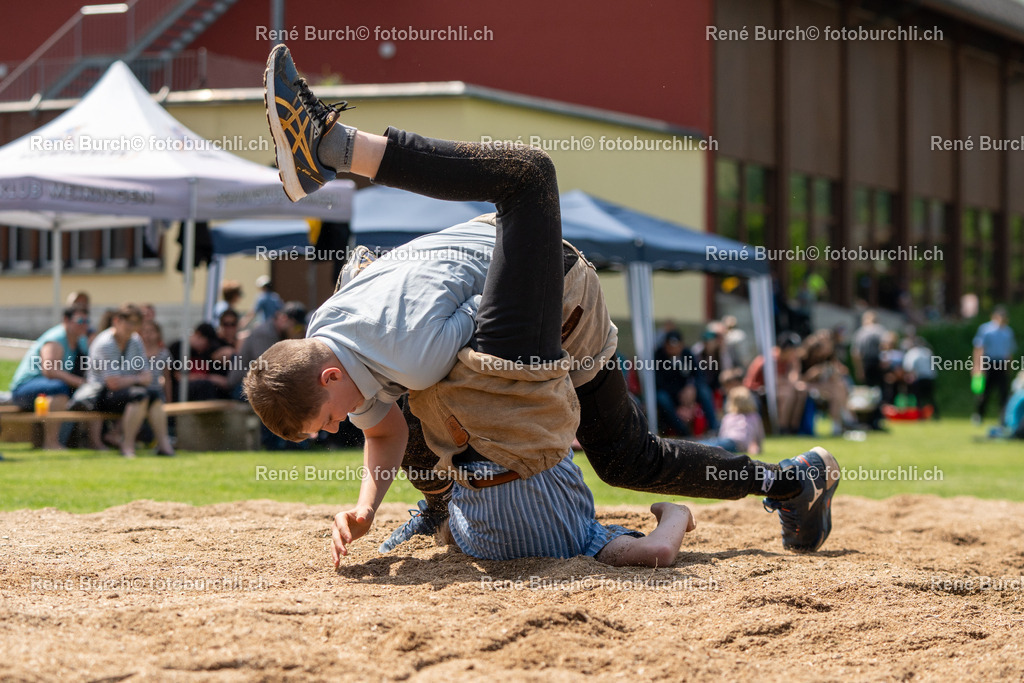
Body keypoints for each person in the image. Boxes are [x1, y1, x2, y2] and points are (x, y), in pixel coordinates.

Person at [248, 44, 839, 563]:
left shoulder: (411, 350)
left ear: (328, 375)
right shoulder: (327, 332)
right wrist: (365, 508)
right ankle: (792, 483)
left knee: (526, 183)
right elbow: (383, 433)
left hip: (557, 289)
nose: (337, 428)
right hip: (490, 288)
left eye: (327, 420)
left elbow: (467, 343)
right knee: (626, 459)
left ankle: (334, 145)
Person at [85, 304, 174, 458]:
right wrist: (136, 379)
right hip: (98, 395)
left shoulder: (135, 340)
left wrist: (131, 379)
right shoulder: (106, 343)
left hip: (123, 393)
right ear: (117, 321)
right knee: (139, 395)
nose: (132, 327)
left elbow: (147, 377)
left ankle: (164, 445)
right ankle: (127, 446)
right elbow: (112, 382)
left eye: (135, 323)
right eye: (129, 322)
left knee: (154, 395)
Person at [9, 306, 92, 449]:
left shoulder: (81, 341)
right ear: (66, 320)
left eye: (86, 321)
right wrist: (80, 383)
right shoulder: (55, 339)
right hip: (25, 388)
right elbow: (50, 371)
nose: (84, 324)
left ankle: (88, 442)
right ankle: (51, 442)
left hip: (51, 387)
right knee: (59, 388)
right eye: (80, 320)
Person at [744, 333, 808, 434]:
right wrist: (792, 383)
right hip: (757, 390)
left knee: (801, 392)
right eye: (793, 350)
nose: (795, 352)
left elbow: (792, 378)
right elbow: (775, 380)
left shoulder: (789, 359)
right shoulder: (770, 359)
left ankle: (794, 427)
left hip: (775, 388)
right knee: (788, 394)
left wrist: (795, 367)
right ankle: (782, 427)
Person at [972, 307, 1017, 424]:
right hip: (988, 363)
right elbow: (979, 348)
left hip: (1001, 363)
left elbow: (1009, 351)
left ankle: (1003, 418)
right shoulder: (986, 329)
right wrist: (977, 366)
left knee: (1003, 393)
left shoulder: (1008, 332)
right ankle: (979, 415)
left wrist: (1009, 366)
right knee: (984, 391)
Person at [700, 386, 765, 455]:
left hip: (731, 441)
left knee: (708, 444)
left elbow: (723, 433)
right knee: (713, 444)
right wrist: (758, 446)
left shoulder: (729, 416)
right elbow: (759, 434)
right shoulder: (754, 416)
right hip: (740, 445)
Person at [902, 337, 937, 418]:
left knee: (918, 398)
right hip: (930, 377)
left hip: (919, 378)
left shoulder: (912, 353)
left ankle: (919, 415)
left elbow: (908, 367)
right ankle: (936, 415)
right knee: (930, 398)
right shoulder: (928, 352)